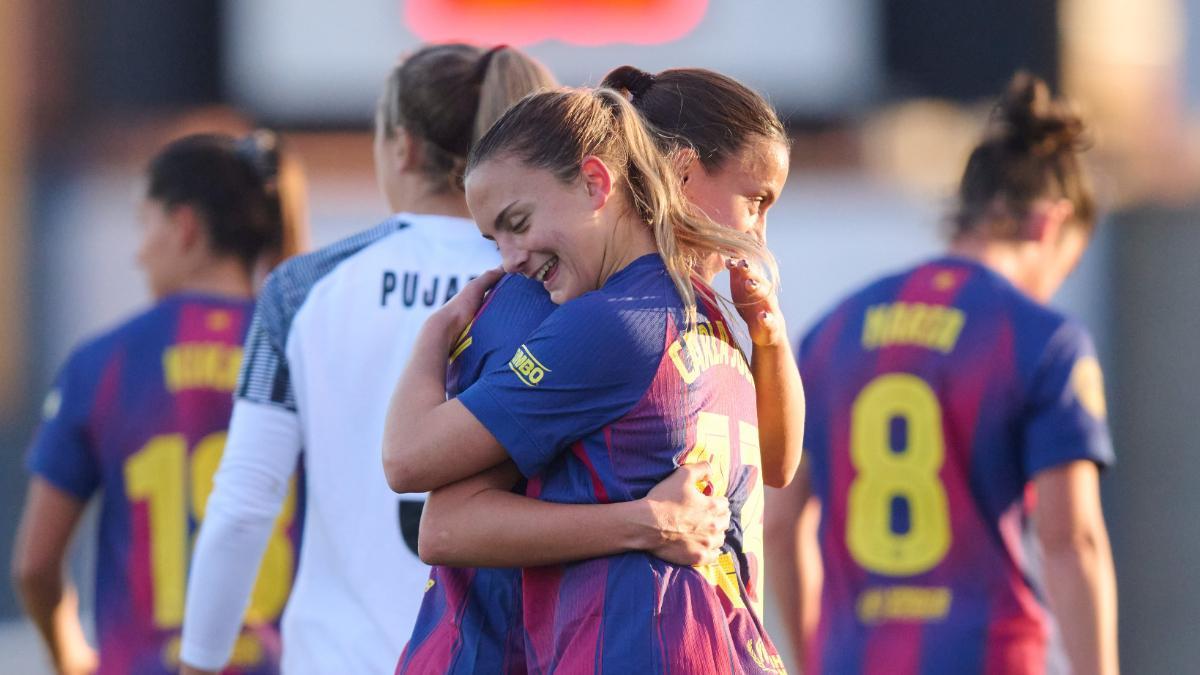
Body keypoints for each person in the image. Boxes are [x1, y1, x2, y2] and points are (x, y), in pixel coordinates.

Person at [395, 65, 802, 674]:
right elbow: (441, 512)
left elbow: (773, 468)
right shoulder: (574, 309)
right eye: (755, 200)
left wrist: (769, 339)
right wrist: (645, 523)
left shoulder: (703, 308)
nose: (758, 230)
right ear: (684, 172)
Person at [176, 44, 562, 675]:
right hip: (498, 656)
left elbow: (244, 502)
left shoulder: (302, 287)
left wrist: (199, 662)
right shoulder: (547, 279)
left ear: (403, 146)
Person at [767, 72, 1118, 675]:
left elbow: (778, 522)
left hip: (855, 658)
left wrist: (813, 658)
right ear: (1050, 225)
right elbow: (1072, 541)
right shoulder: (1043, 338)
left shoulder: (833, 329)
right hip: (990, 655)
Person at [11, 131, 307, 675]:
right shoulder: (305, 352)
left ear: (185, 227)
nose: (137, 249)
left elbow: (35, 564)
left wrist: (70, 659)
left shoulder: (104, 363)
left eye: (143, 222)